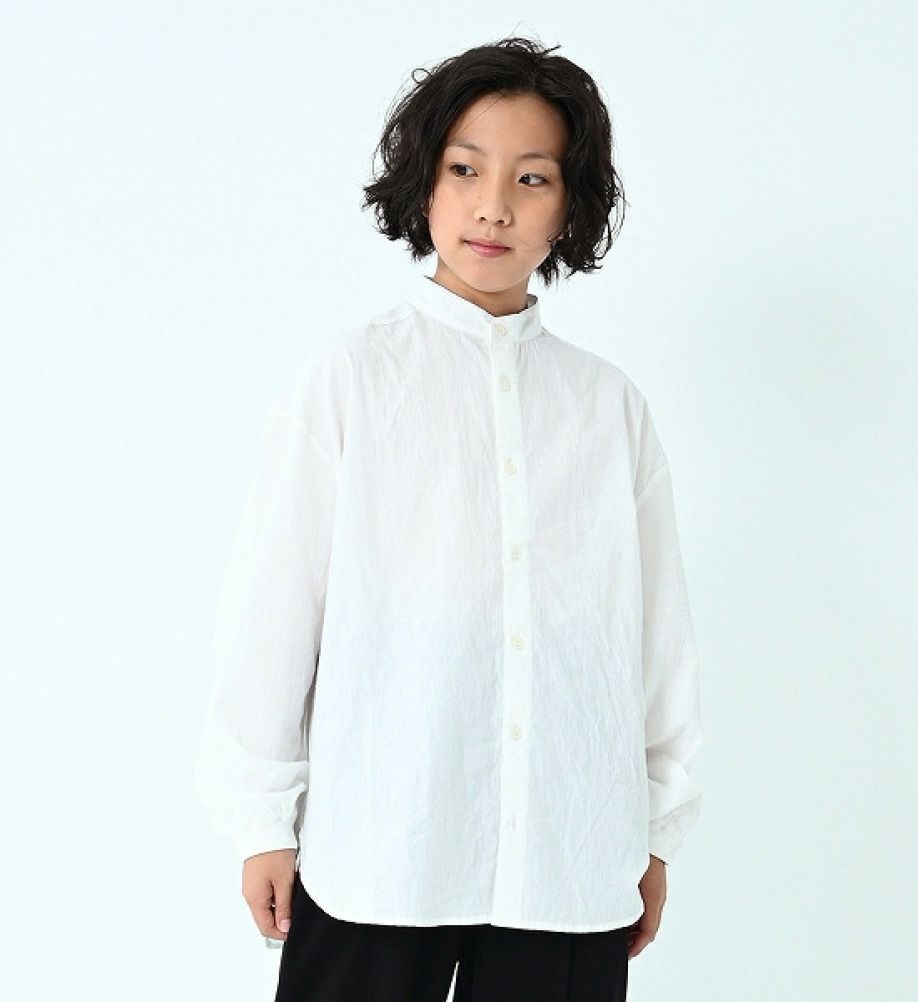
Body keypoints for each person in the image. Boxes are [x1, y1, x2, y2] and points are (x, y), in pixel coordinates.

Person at [195, 35, 704, 1002]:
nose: (493, 206)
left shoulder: (608, 407)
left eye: (532, 178)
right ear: (423, 180)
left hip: (567, 859)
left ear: (571, 203)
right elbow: (275, 608)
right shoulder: (352, 377)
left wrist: (655, 831)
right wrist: (262, 819)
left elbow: (654, 638)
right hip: (383, 846)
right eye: (466, 170)